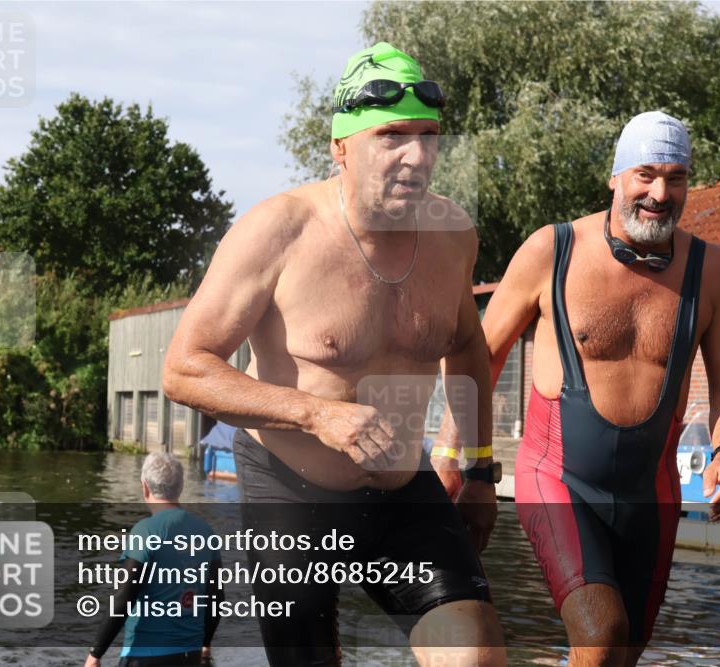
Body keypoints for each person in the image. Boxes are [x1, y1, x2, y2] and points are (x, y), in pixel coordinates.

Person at [163, 42, 506, 667]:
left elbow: (464, 345)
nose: (417, 156)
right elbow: (184, 368)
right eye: (392, 135)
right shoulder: (279, 230)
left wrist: (479, 469)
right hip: (292, 491)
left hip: (405, 490)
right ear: (341, 148)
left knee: (476, 655)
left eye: (429, 136)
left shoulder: (452, 234)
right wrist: (318, 414)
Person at [478, 111, 720, 665]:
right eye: (646, 174)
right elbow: (478, 360)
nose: (659, 193)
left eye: (676, 178)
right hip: (555, 476)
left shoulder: (713, 269)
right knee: (602, 633)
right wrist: (468, 461)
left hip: (651, 495)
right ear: (615, 177)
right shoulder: (552, 250)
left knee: (621, 652)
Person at [85, 453, 222, 667]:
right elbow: (216, 597)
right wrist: (205, 644)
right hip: (190, 656)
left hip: (144, 656)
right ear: (181, 486)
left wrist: (96, 653)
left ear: (145, 487)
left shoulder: (145, 531)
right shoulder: (206, 532)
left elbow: (124, 597)